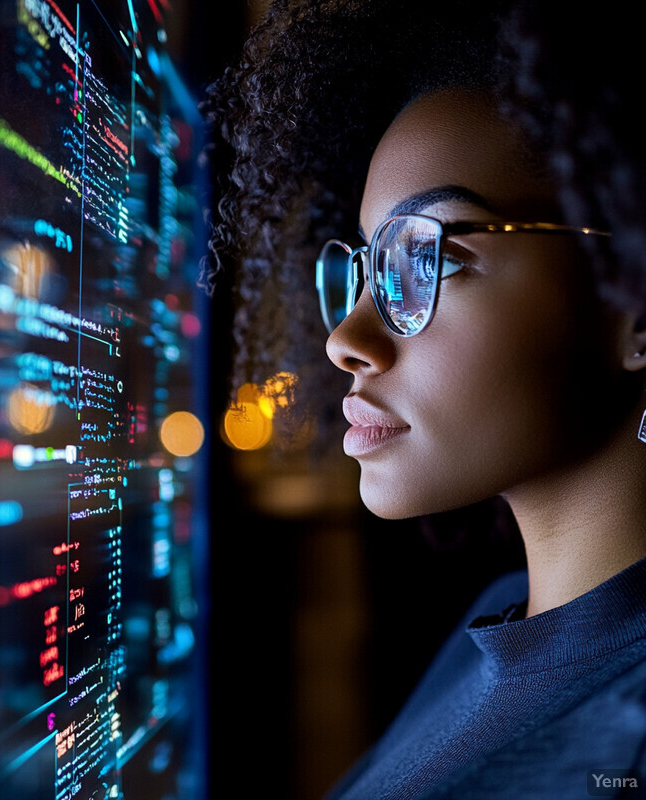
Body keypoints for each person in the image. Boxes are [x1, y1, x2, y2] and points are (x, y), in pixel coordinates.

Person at [205, 1, 646, 798]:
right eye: (370, 268)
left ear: (635, 304)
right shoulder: (505, 616)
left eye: (428, 259)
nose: (345, 336)